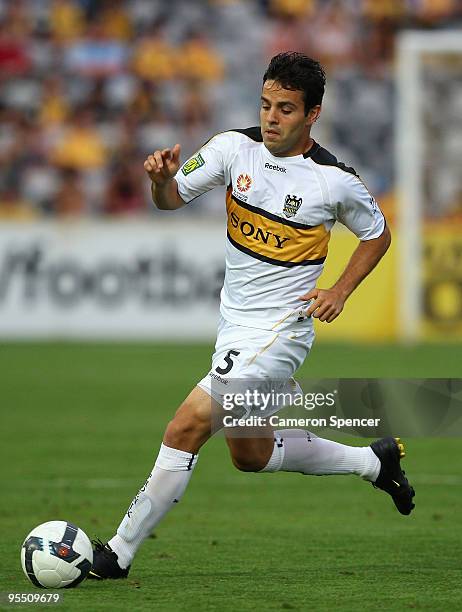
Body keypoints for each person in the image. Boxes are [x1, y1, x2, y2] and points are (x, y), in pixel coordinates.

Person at [89, 52, 415, 580]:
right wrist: (160, 180)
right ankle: (374, 463)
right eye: (265, 104)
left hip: (280, 332)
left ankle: (118, 552)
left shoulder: (333, 181)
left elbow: (378, 234)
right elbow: (170, 200)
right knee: (252, 454)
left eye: (285, 109)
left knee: (188, 423)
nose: (271, 117)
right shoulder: (231, 149)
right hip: (234, 326)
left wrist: (341, 289)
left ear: (312, 114)